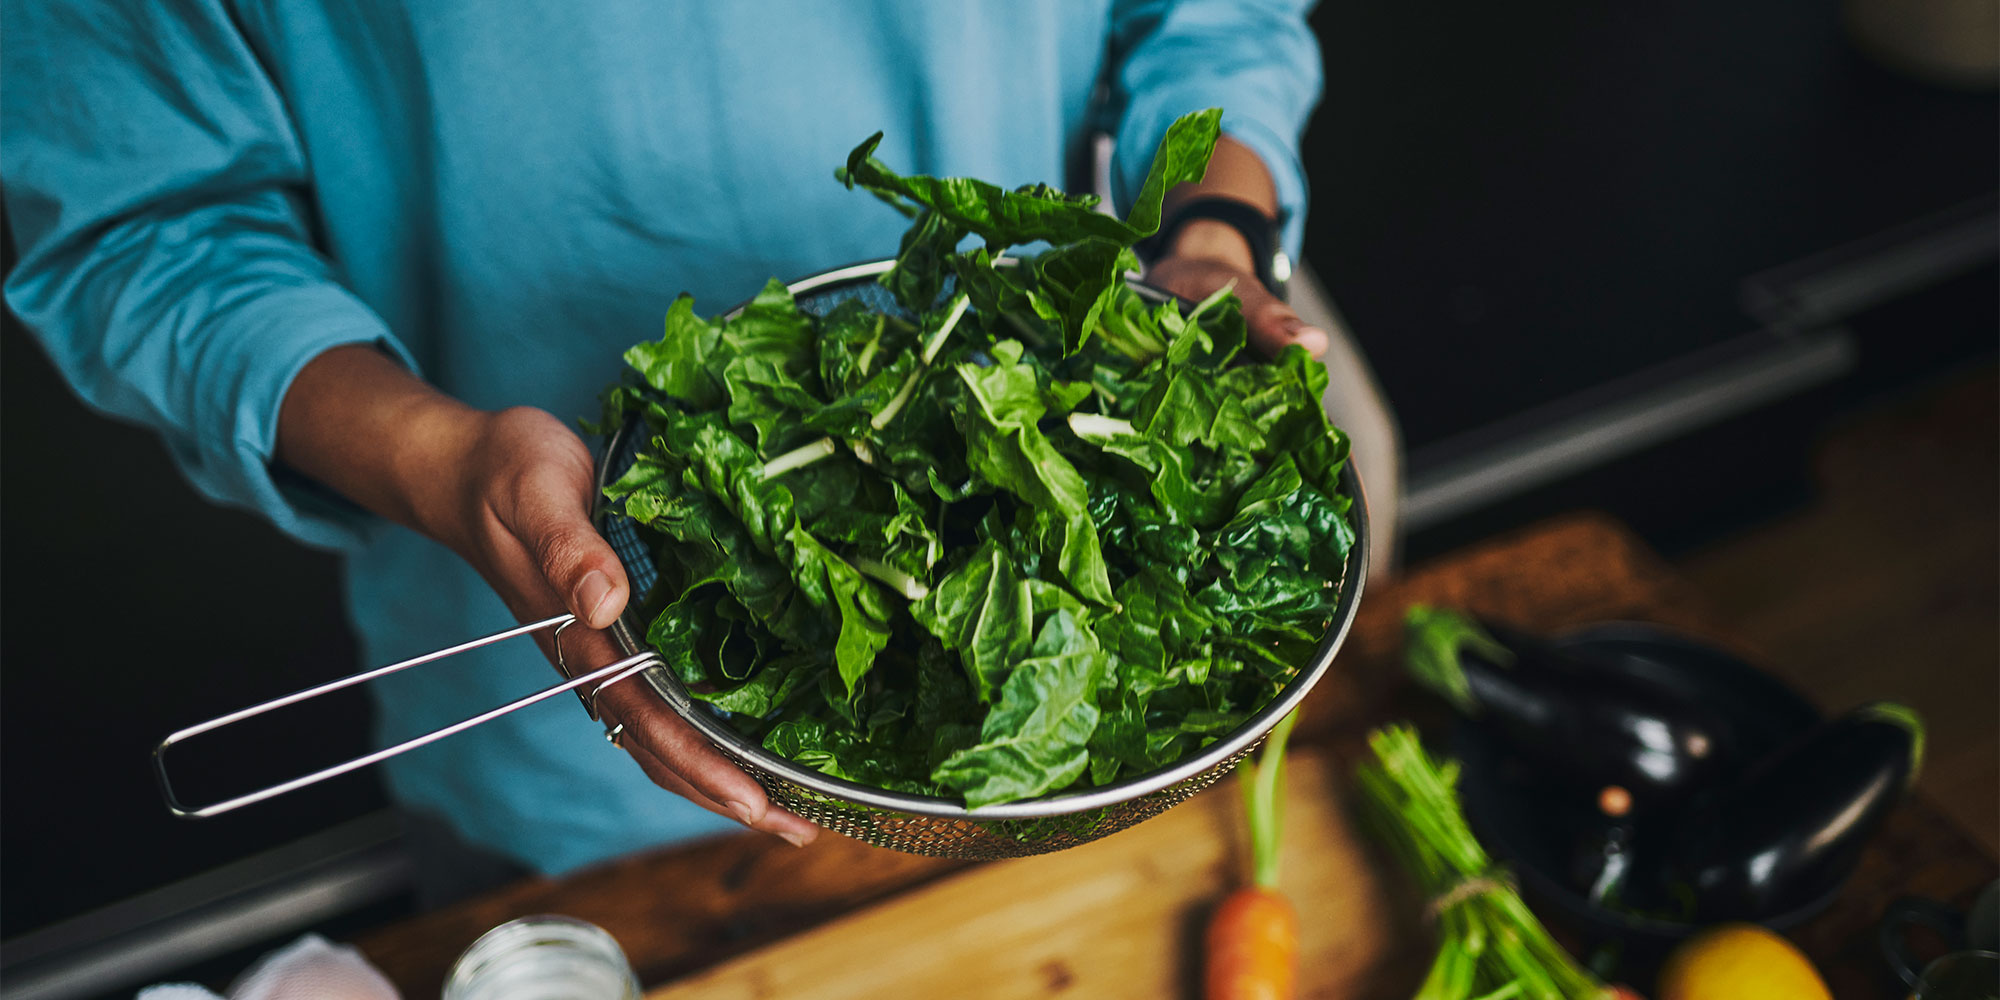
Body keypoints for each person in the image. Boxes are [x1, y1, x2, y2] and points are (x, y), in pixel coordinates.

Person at [5, 2, 1398, 896]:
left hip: (1066, 767)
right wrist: (442, 462)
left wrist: (1211, 240)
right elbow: (149, 231)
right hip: (553, 702)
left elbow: (1212, 21)